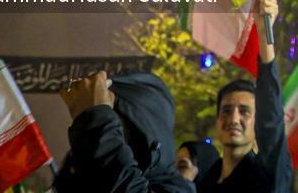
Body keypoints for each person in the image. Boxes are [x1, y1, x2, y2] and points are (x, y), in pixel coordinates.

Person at [198, 0, 293, 192]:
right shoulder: (205, 181)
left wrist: (264, 34)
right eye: (226, 111)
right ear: (217, 120)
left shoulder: (265, 176)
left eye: (245, 111)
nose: (234, 119)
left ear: (257, 122)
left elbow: (271, 122)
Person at [54, 70, 193, 192]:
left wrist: (97, 121)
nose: (113, 136)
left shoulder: (176, 188)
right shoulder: (85, 163)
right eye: (111, 128)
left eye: (113, 127)